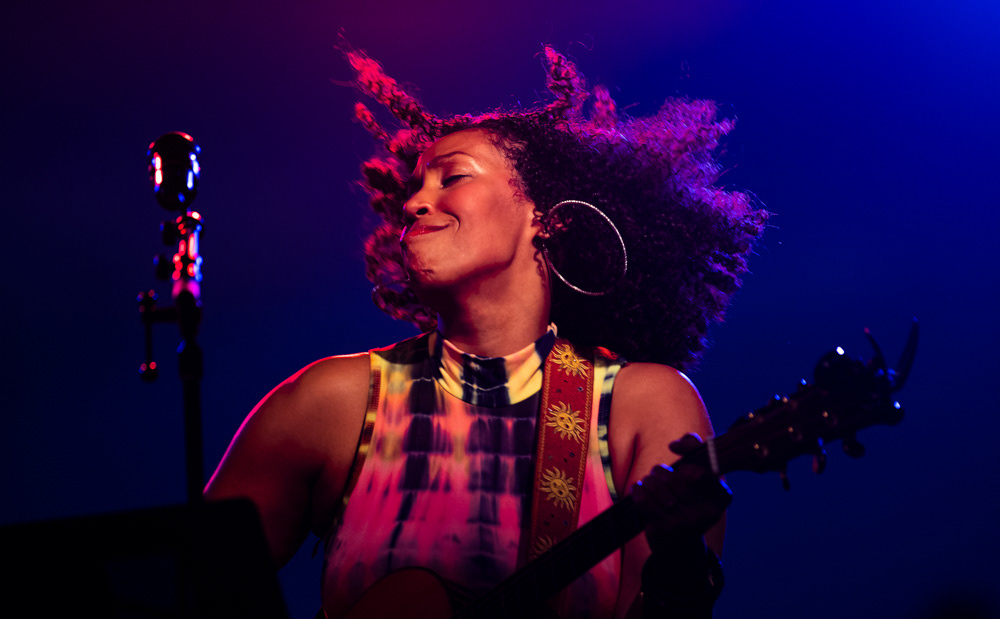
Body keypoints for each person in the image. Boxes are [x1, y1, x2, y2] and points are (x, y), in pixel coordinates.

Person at [205, 45, 767, 618]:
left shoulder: (642, 405)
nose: (415, 203)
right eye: (414, 189)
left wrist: (680, 564)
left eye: (453, 178)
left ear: (547, 218)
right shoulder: (331, 403)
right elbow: (174, 591)